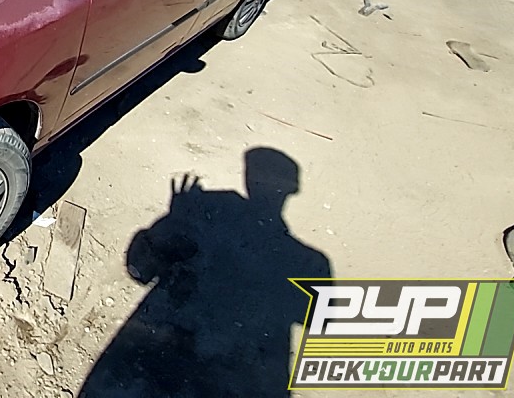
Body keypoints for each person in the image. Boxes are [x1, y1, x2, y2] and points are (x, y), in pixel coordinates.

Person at [80, 148, 332, 398]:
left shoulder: (309, 261)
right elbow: (318, 319)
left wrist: (172, 219)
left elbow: (140, 272)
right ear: (292, 189)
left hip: (177, 367)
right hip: (240, 378)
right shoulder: (311, 262)